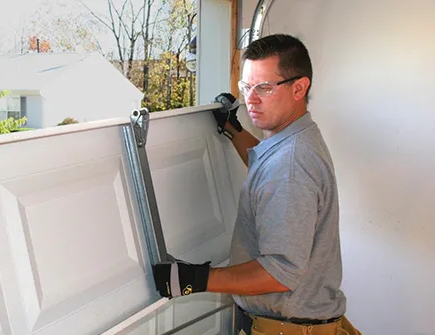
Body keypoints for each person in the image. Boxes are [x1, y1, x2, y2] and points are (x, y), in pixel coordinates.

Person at [151, 34, 362, 334]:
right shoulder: (295, 139)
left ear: (299, 87)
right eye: (246, 87)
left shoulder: (290, 164)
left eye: (263, 87)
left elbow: (280, 273)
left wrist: (195, 279)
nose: (251, 98)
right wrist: (233, 129)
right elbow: (266, 169)